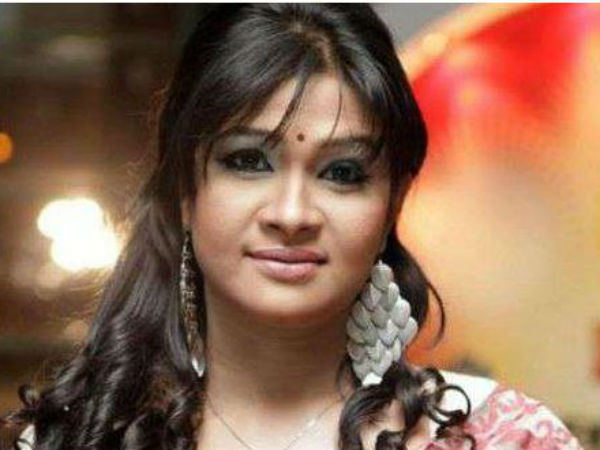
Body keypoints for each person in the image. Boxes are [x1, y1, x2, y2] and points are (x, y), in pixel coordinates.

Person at [1, 4, 584, 450]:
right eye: (248, 161)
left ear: (393, 203)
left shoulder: (502, 437)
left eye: (342, 173)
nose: (292, 214)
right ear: (184, 191)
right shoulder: (76, 438)